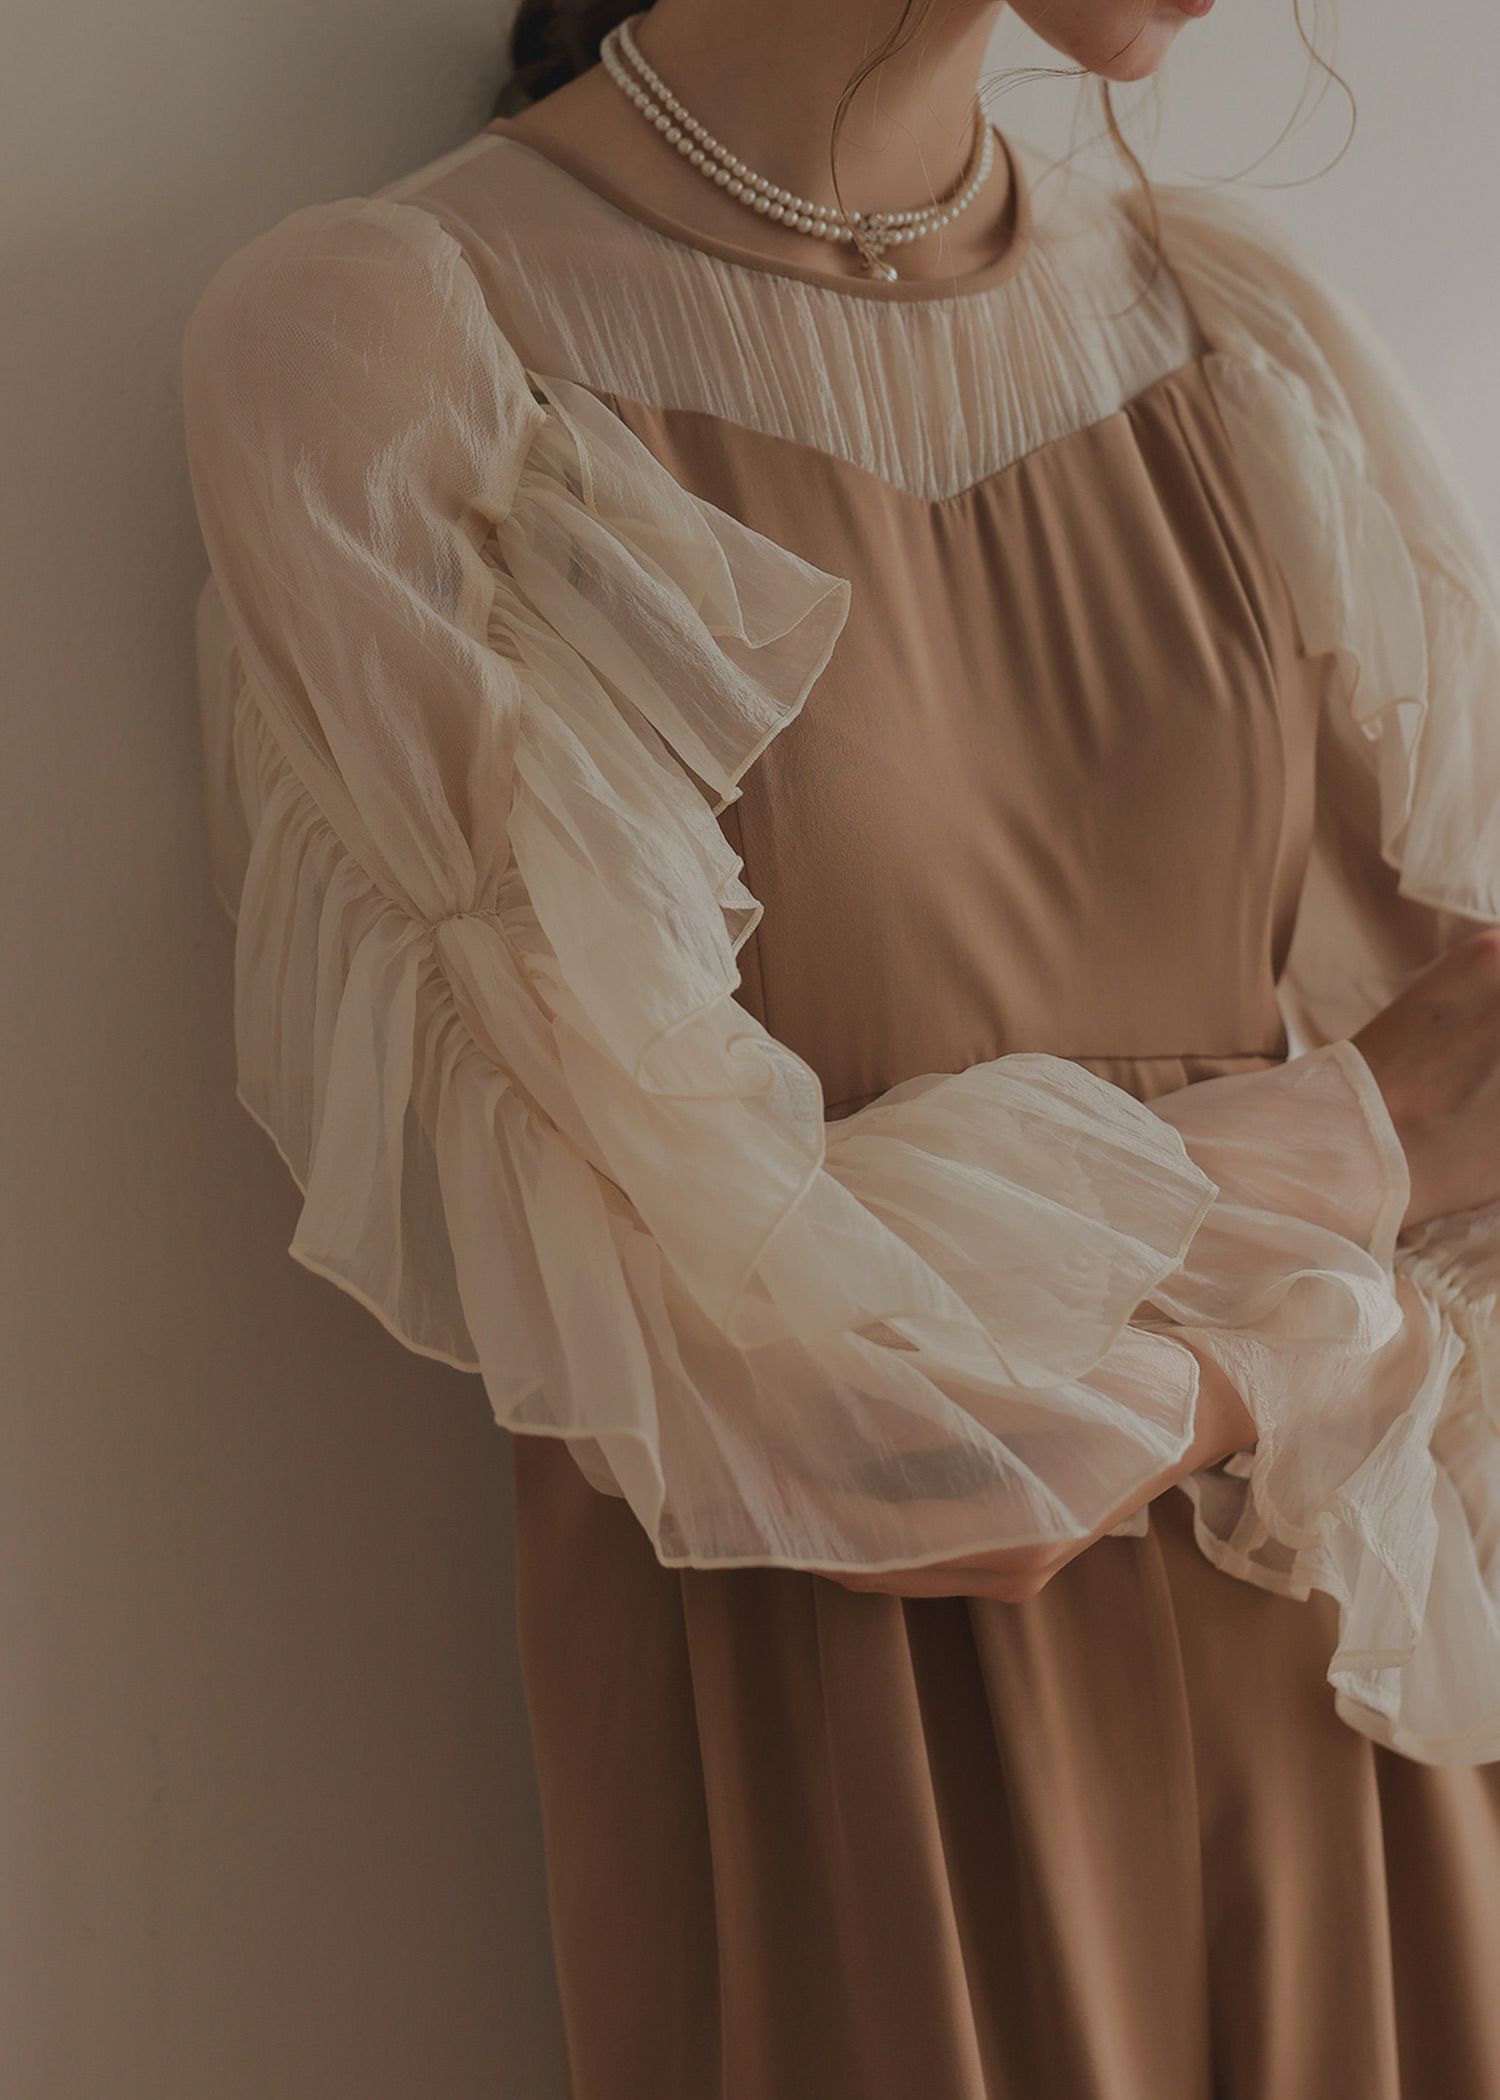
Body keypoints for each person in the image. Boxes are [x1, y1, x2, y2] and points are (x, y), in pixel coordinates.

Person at [180, 1, 1500, 2092]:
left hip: (1347, 1708)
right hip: (881, 1750)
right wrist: (1345, 1180)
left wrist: (1362, 1234)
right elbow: (766, 1364)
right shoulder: (404, 357)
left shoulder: (1229, 330)